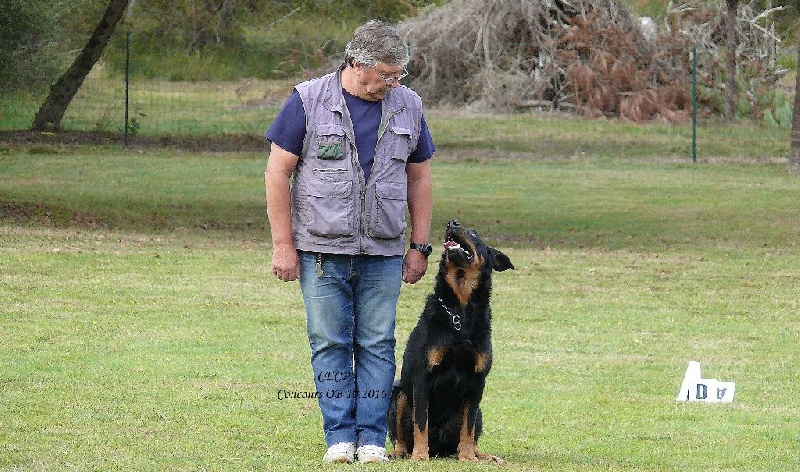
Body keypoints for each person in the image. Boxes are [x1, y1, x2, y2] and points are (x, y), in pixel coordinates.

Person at [264, 20, 435, 464]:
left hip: (383, 251)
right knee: (330, 343)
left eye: (399, 75)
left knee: (378, 343)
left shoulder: (409, 106)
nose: (393, 83)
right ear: (356, 64)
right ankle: (339, 436)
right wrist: (283, 245)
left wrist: (419, 246)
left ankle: (373, 439)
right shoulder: (307, 101)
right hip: (320, 252)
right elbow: (277, 173)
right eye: (385, 74)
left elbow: (419, 178)